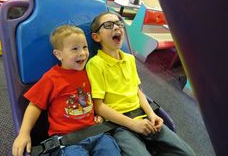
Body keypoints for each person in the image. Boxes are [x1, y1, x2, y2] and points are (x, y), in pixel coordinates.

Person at [86, 11, 196, 156]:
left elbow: (138, 91)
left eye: (119, 23)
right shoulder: (95, 64)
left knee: (188, 153)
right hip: (120, 125)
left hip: (143, 115)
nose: (117, 27)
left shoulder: (130, 59)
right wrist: (133, 124)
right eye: (108, 25)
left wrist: (152, 114)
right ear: (96, 37)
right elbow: (99, 106)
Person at [12, 25, 121, 156]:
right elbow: (34, 106)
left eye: (85, 47)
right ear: (59, 54)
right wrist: (24, 133)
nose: (82, 53)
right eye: (75, 49)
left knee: (111, 151)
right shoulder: (51, 78)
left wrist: (100, 116)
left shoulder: (90, 71)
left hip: (95, 132)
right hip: (69, 140)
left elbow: (98, 98)